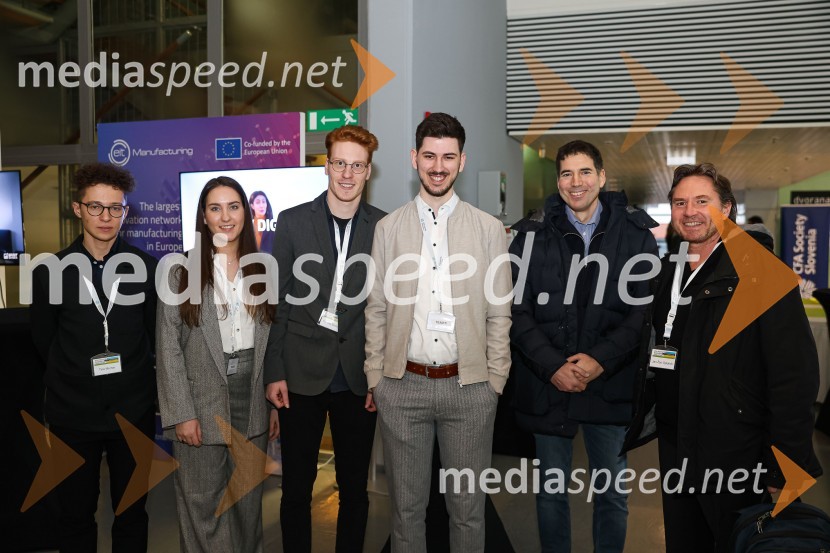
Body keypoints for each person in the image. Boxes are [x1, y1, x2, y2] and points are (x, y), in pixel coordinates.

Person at [624, 163, 823, 553]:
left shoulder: (763, 275)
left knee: (740, 542)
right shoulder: (671, 271)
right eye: (680, 202)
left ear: (727, 209)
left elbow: (794, 379)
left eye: (702, 201)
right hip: (678, 441)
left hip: (737, 450)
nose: (690, 211)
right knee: (685, 542)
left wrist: (784, 466)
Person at [364, 112, 512, 552]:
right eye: (429, 155)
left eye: (448, 157)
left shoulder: (488, 230)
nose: (438, 166)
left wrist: (495, 381)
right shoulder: (388, 229)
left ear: (462, 162)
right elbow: (376, 308)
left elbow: (499, 312)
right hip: (402, 387)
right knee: (406, 511)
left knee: (467, 509)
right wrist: (377, 377)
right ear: (414, 158)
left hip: (469, 390)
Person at [509, 140, 658, 553]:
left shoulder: (634, 234)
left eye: (585, 172)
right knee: (551, 493)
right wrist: (554, 366)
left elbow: (641, 314)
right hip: (549, 384)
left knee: (611, 492)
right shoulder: (531, 235)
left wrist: (599, 361)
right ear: (558, 182)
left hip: (609, 383)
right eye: (567, 174)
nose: (577, 183)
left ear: (602, 176)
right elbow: (515, 311)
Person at [264, 125, 386, 553]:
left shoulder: (383, 227)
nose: (347, 174)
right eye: (340, 163)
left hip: (357, 378)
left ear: (368, 171)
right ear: (326, 166)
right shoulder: (294, 221)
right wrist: (273, 371)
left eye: (357, 165)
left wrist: (379, 376)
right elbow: (275, 303)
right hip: (299, 374)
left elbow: (385, 309)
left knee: (355, 491)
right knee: (297, 489)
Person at [30, 162, 157, 552]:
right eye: (96, 207)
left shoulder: (147, 269)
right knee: (74, 516)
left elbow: (154, 337)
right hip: (73, 416)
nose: (106, 217)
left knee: (132, 513)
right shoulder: (50, 270)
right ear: (77, 209)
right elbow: (43, 340)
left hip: (132, 412)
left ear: (126, 212)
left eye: (115, 208)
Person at [156, 176, 278, 553]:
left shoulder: (264, 269)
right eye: (215, 208)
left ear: (246, 213)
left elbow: (272, 342)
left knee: (248, 507)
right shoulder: (179, 271)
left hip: (251, 397)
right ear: (203, 217)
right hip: (199, 400)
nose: (225, 216)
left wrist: (271, 405)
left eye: (234, 206)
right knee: (203, 506)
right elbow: (168, 349)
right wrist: (181, 413)